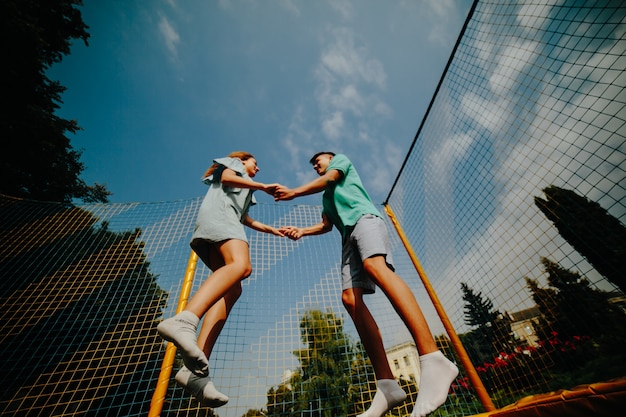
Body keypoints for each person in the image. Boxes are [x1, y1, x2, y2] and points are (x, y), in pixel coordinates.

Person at [274, 152, 459, 417]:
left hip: (365, 221)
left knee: (376, 266)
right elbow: (327, 225)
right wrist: (303, 231)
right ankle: (387, 386)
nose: (316, 164)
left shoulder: (340, 163)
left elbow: (331, 177)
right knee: (350, 299)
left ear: (330, 158)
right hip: (348, 238)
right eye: (313, 163)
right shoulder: (326, 197)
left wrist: (293, 192)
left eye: (319, 160)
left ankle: (433, 359)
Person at [158, 151, 284, 407]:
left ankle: (195, 372)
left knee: (232, 289)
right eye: (255, 163)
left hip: (220, 225)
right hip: (219, 222)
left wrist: (271, 229)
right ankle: (185, 320)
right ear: (243, 159)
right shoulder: (234, 166)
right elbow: (227, 178)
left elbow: (244, 218)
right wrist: (261, 185)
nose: (257, 168)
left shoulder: (246, 191)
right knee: (241, 266)